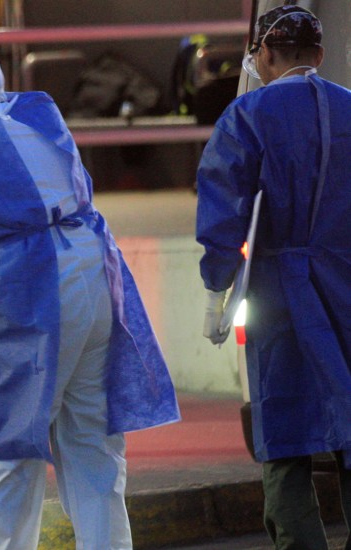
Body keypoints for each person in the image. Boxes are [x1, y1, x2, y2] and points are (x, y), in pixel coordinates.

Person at [0, 37, 180, 549]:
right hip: (97, 277)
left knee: (13, 456)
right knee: (94, 451)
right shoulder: (43, 114)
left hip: (32, 296)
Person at [195, 6, 351, 549]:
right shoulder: (349, 108)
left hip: (277, 287)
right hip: (345, 285)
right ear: (320, 55)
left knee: (283, 424)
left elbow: (223, 214)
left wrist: (215, 292)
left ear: (262, 55)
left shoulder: (247, 115)